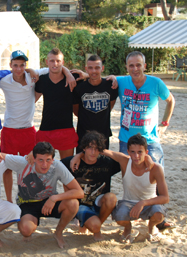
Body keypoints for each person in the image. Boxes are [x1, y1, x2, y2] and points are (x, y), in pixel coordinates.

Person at [0, 50, 76, 202]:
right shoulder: (4, 80)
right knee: (7, 167)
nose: (19, 68)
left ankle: (30, 198)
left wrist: (69, 74)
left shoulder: (34, 77)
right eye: (15, 65)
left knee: (32, 166)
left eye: (22, 65)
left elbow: (57, 67)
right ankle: (8, 201)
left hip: (28, 129)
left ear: (26, 65)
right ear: (10, 66)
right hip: (9, 129)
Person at [116, 51, 175, 231]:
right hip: (127, 140)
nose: (135, 69)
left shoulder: (156, 83)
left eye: (138, 65)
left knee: (155, 175)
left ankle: (159, 218)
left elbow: (170, 100)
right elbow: (99, 77)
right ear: (126, 67)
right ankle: (133, 210)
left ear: (144, 66)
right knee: (130, 177)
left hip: (150, 140)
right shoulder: (121, 81)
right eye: (131, 65)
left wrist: (164, 123)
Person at [0, 142, 84, 248]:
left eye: (48, 160)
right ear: (33, 158)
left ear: (53, 159)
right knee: (26, 230)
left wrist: (54, 198)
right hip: (27, 203)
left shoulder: (57, 165)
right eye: (40, 160)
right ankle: (28, 225)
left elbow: (79, 192)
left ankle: (58, 233)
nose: (44, 164)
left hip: (49, 202)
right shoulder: (23, 162)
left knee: (73, 204)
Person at [102, 134, 169, 243]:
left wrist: (142, 203)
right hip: (128, 202)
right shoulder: (125, 161)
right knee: (119, 217)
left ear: (146, 152)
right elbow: (103, 151)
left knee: (159, 215)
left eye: (140, 152)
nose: (136, 156)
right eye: (132, 152)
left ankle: (152, 226)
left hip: (149, 203)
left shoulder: (156, 168)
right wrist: (78, 156)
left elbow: (165, 198)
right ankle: (128, 228)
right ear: (128, 151)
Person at [62, 131, 120, 241]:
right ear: (83, 148)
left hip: (99, 202)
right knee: (94, 225)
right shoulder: (71, 162)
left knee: (111, 198)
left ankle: (96, 225)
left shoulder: (107, 162)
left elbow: (126, 159)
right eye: (89, 148)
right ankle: (91, 225)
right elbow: (53, 165)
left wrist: (104, 152)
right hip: (80, 204)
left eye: (97, 148)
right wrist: (78, 155)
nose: (93, 152)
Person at [35, 48, 81, 160]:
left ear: (63, 62)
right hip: (46, 129)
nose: (55, 64)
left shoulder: (73, 79)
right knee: (44, 168)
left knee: (67, 168)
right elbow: (31, 100)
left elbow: (91, 77)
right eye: (52, 61)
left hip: (66, 129)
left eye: (58, 61)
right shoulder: (41, 80)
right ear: (46, 62)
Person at [73, 55, 118, 152]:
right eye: (90, 68)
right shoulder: (79, 87)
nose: (94, 71)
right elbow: (76, 111)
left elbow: (110, 106)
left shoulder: (110, 85)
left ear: (102, 68)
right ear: (86, 69)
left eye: (97, 67)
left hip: (103, 133)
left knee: (102, 163)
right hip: (83, 134)